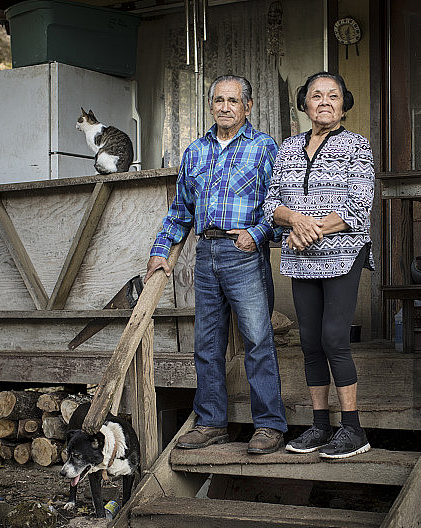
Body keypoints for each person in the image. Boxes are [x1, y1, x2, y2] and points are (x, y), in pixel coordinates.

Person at [146, 74, 287, 454]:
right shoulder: (195, 151)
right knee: (207, 343)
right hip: (205, 253)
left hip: (244, 253)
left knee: (257, 339)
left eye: (233, 100)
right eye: (219, 100)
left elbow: (279, 206)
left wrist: (256, 234)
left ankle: (269, 425)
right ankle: (211, 423)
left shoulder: (263, 147)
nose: (225, 107)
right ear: (211, 105)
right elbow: (180, 212)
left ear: (248, 106)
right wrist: (161, 250)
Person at [263, 72, 374, 459]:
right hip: (301, 258)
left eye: (333, 96)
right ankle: (320, 425)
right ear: (304, 104)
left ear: (344, 104)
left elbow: (358, 205)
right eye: (316, 95)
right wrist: (295, 221)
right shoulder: (288, 148)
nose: (324, 102)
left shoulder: (357, 146)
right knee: (309, 341)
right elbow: (271, 203)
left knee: (333, 338)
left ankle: (354, 429)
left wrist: (308, 231)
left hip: (343, 253)